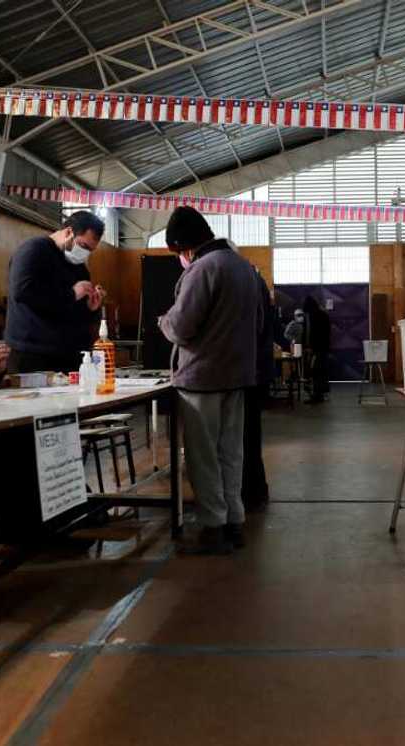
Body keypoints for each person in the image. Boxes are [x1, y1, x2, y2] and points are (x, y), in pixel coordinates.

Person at [159, 206, 262, 555]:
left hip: (201, 379)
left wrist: (163, 321)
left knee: (203, 459)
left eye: (177, 253)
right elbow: (258, 325)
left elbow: (182, 326)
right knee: (231, 454)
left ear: (185, 247)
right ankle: (235, 521)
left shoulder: (203, 268)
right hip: (237, 376)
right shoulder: (243, 266)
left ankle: (213, 528)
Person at [5, 210, 106, 374]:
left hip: (67, 353)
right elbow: (22, 292)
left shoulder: (79, 268)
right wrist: (72, 294)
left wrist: (90, 308)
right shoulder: (33, 250)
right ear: (68, 232)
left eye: (90, 250)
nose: (85, 253)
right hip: (32, 353)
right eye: (84, 246)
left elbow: (70, 309)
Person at [242, 268, 274, 512]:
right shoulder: (257, 281)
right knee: (251, 435)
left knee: (244, 436)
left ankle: (249, 493)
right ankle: (255, 491)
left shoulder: (245, 282)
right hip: (258, 371)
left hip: (246, 373)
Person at [303, 297, 331, 403]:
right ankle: (320, 394)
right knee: (321, 371)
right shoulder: (322, 314)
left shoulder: (315, 316)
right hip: (323, 348)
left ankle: (317, 395)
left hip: (318, 349)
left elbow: (315, 334)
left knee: (316, 371)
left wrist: (310, 347)